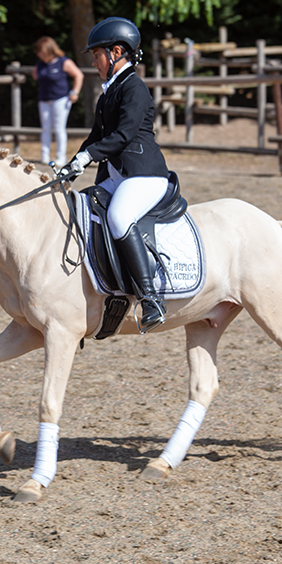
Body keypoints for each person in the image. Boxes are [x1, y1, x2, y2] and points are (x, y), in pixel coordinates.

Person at [62, 17, 173, 332]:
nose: (94, 62)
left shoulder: (134, 88)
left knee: (119, 218)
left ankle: (150, 298)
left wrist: (88, 156)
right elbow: (96, 137)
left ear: (116, 52)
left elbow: (123, 136)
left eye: (96, 55)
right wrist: (73, 165)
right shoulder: (108, 92)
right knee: (78, 211)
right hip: (116, 176)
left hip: (143, 175)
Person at [32, 36, 84, 168]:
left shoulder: (63, 62)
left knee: (59, 128)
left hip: (61, 99)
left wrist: (75, 92)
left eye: (41, 52)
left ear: (49, 50)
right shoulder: (41, 63)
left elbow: (78, 75)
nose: (39, 55)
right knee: (46, 128)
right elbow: (35, 75)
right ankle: (45, 155)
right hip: (44, 99)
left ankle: (61, 157)